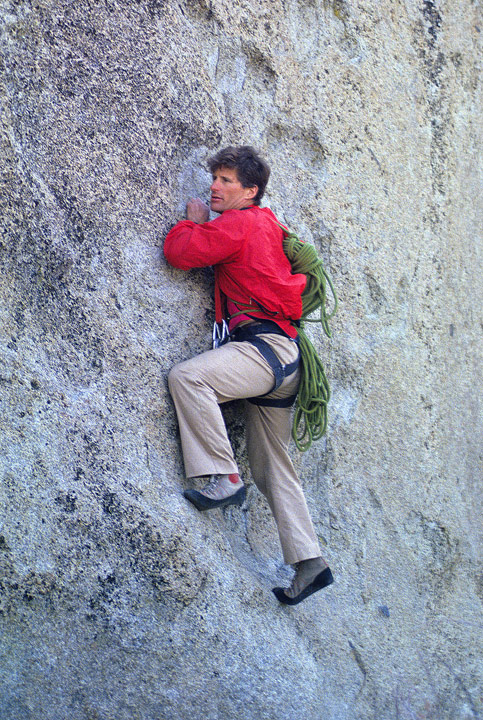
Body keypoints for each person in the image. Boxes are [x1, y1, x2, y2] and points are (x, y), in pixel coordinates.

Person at [164, 145, 333, 605]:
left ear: (250, 191)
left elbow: (181, 253)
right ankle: (309, 562)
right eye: (214, 178)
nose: (214, 187)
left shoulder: (240, 223)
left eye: (226, 181)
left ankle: (224, 478)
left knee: (188, 378)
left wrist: (194, 221)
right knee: (274, 464)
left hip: (262, 351)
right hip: (286, 359)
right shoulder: (270, 224)